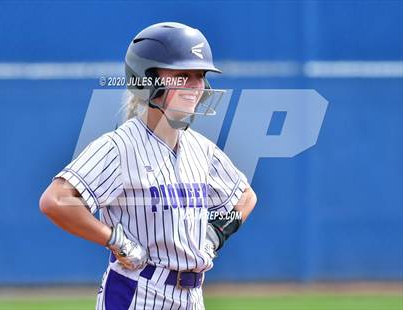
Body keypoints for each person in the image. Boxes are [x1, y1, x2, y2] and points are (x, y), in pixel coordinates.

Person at [40, 22, 257, 310]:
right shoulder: (120, 146)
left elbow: (245, 196)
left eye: (200, 75)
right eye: (183, 75)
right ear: (147, 79)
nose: (195, 85)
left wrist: (215, 233)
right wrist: (115, 240)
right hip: (136, 293)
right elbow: (55, 200)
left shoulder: (201, 149)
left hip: (192, 297)